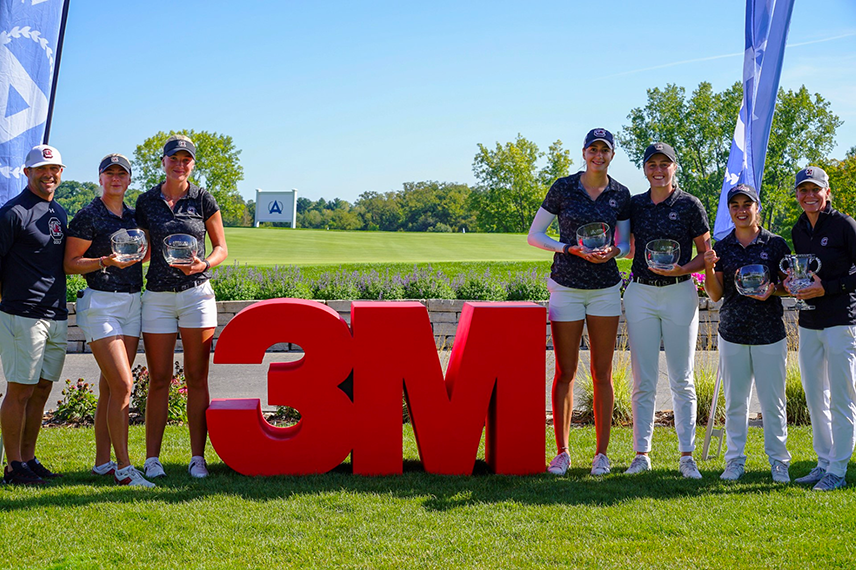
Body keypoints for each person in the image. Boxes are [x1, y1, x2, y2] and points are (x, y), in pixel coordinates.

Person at [527, 128, 631, 476]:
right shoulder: (563, 187)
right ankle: (563, 452)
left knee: (602, 373)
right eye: (593, 149)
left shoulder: (621, 193)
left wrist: (612, 251)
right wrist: (566, 247)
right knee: (565, 371)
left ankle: (601, 455)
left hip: (605, 289)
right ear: (584, 152)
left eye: (605, 150)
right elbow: (535, 235)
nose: (598, 155)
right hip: (566, 287)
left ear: (612, 155)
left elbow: (626, 246)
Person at [135, 134, 228, 479]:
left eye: (186, 159)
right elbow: (141, 249)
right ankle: (152, 459)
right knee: (158, 378)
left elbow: (220, 247)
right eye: (174, 158)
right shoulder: (145, 201)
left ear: (192, 164)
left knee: (196, 376)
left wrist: (205, 264)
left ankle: (197, 457)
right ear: (163, 161)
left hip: (195, 294)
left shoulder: (202, 198)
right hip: (157, 297)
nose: (180, 164)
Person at [64, 154, 155, 487]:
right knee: (123, 385)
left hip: (133, 302)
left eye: (122, 174)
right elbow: (71, 263)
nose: (116, 178)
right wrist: (105, 261)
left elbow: (143, 253)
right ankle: (125, 469)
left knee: (109, 387)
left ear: (129, 180)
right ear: (100, 178)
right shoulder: (88, 215)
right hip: (100, 304)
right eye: (110, 173)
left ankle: (102, 463)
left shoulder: (133, 216)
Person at [624, 142, 710, 479]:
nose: (658, 170)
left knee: (682, 378)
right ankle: (641, 454)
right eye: (652, 164)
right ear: (645, 169)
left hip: (678, 293)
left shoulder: (690, 204)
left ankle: (686, 456)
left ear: (675, 167)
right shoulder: (635, 205)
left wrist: (681, 269)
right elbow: (624, 245)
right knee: (642, 379)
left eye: (665, 164)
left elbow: (706, 252)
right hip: (640, 294)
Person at [702, 184, 791, 483]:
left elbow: (788, 285)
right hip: (733, 332)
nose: (741, 210)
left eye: (747, 204)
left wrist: (773, 291)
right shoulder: (723, 246)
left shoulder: (776, 244)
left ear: (757, 207)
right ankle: (735, 460)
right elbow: (715, 295)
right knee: (736, 402)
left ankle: (779, 461)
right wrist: (708, 270)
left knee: (773, 401)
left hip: (769, 333)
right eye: (735, 205)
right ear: (730, 210)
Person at [0, 145, 68, 485]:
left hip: (55, 313)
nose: (49, 174)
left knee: (41, 389)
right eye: (42, 169)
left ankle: (28, 458)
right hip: (22, 314)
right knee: (20, 390)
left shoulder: (58, 211)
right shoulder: (13, 213)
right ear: (27, 172)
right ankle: (13, 466)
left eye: (54, 169)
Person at [788, 166, 856, 491]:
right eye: (804, 190)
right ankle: (823, 462)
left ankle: (839, 470)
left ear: (827, 192)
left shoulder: (845, 225)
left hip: (841, 320)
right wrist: (793, 284)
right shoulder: (798, 228)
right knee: (816, 397)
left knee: (842, 397)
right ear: (798, 194)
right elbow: (803, 273)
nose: (809, 195)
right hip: (809, 321)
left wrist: (827, 289)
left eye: (815, 189)